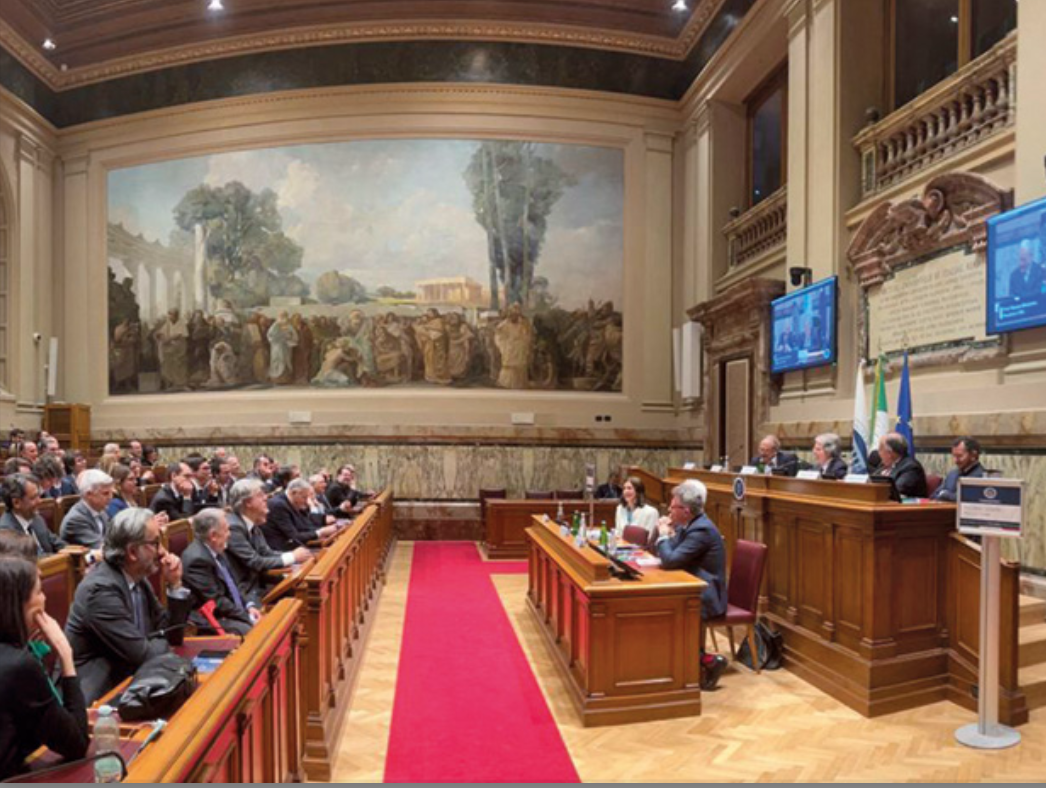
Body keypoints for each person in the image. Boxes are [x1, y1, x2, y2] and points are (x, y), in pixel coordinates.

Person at [64, 507, 193, 704]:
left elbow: (172, 634)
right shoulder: (100, 591)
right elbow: (144, 654)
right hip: (99, 694)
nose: (162, 551)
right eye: (155, 543)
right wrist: (158, 639)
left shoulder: (137, 578)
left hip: (132, 677)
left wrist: (175, 585)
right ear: (132, 552)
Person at [0, 555, 90, 780]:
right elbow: (77, 744)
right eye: (39, 591)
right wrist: (66, 655)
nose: (45, 598)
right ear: (18, 602)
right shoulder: (18, 667)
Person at [654, 480, 728, 689]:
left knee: (665, 612)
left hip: (707, 596)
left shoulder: (701, 530)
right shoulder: (689, 525)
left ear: (686, 511)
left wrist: (663, 535)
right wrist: (665, 534)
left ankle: (704, 662)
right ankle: (696, 661)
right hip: (692, 588)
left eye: (673, 507)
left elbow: (670, 560)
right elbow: (668, 553)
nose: (669, 511)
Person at [226, 480, 311, 603]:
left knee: (305, 586)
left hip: (260, 583)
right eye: (260, 495)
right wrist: (293, 557)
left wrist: (295, 559)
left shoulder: (252, 524)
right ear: (248, 502)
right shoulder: (233, 527)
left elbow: (266, 552)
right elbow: (255, 561)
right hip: (246, 593)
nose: (266, 498)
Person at [181, 509, 256, 637]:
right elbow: (217, 601)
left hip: (227, 611)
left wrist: (249, 606)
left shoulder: (217, 548)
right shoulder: (197, 560)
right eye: (226, 530)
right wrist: (247, 618)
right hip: (209, 619)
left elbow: (234, 584)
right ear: (213, 535)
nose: (229, 534)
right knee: (252, 632)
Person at [262, 479, 338, 551]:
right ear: (294, 493)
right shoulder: (278, 505)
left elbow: (305, 524)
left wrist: (324, 525)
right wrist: (320, 532)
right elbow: (294, 536)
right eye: (304, 497)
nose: (307, 501)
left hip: (296, 546)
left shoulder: (295, 502)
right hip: (282, 550)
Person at [0, 474, 66, 556]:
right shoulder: (6, 533)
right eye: (33, 498)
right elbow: (29, 560)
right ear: (16, 503)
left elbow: (58, 543)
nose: (40, 501)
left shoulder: (36, 519)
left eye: (38, 495)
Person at [59, 469, 114, 550]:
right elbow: (100, 547)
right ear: (89, 495)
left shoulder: (101, 512)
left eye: (111, 493)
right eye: (106, 493)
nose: (110, 497)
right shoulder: (75, 520)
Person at [931, 436, 987, 502]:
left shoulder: (982, 476)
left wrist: (945, 494)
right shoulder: (952, 474)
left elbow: (967, 499)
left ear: (973, 455)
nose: (955, 461)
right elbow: (934, 496)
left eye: (959, 456)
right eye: (954, 456)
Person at [875, 432, 928, 498]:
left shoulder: (911, 468)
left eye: (880, 449)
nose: (878, 453)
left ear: (889, 453)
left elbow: (896, 491)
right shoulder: (883, 466)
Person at [613, 476, 659, 547]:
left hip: (640, 550)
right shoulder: (620, 509)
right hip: (621, 548)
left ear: (638, 491)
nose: (626, 491)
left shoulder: (651, 512)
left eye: (629, 488)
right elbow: (618, 532)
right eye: (624, 488)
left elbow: (649, 539)